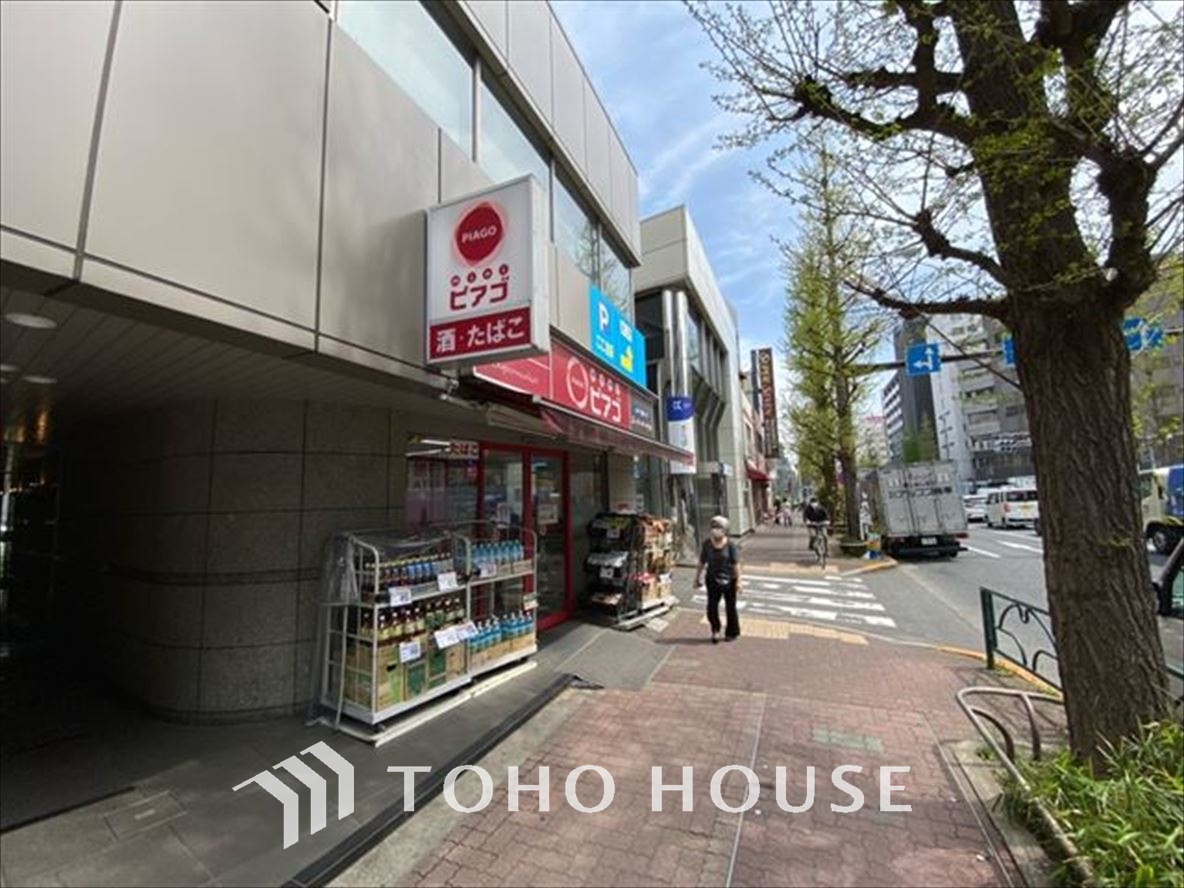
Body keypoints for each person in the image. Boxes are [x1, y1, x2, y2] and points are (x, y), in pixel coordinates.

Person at [695, 515, 741, 643]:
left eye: (719, 527)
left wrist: (739, 581)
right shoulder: (707, 544)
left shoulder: (730, 545)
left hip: (729, 579)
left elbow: (736, 564)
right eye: (714, 527)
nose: (716, 530)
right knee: (711, 607)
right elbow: (702, 562)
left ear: (725, 529)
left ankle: (732, 632)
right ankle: (715, 629)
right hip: (712, 579)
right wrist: (697, 577)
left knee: (730, 607)